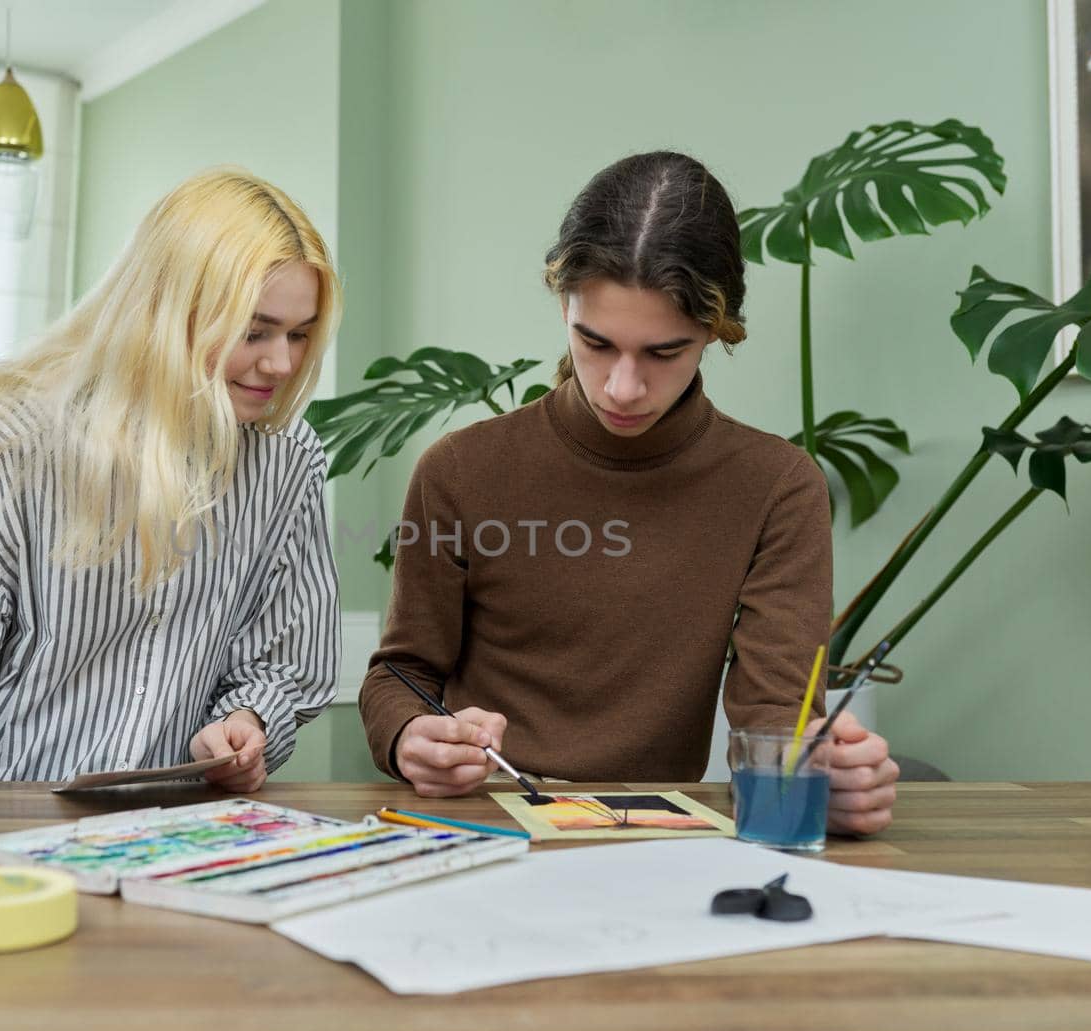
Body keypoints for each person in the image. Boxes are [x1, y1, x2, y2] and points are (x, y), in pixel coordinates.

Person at [358, 151, 897, 834]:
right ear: (563, 301)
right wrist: (411, 736)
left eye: (663, 352)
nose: (622, 387)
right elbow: (400, 674)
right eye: (595, 342)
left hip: (652, 845)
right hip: (481, 832)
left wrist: (828, 778)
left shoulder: (778, 487)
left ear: (715, 329)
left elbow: (774, 720)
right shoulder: (459, 470)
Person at [0, 168, 342, 789]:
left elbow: (283, 663)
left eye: (299, 334)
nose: (282, 363)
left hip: (167, 826)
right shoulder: (16, 440)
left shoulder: (288, 460)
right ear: (166, 313)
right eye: (254, 331)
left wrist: (245, 721)